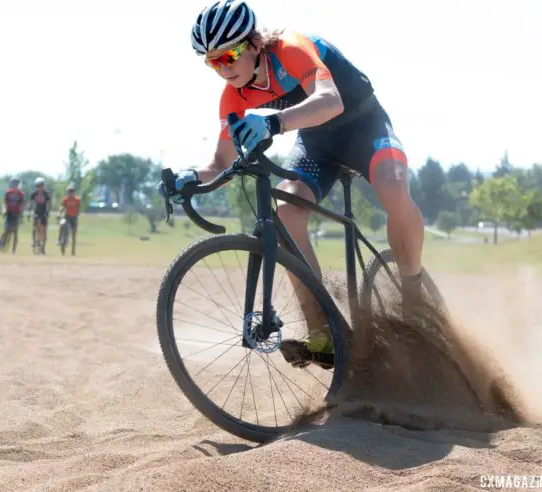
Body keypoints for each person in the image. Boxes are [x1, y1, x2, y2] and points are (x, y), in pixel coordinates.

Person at [160, 0, 427, 362]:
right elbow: (221, 161)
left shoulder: (291, 48)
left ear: (253, 43)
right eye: (212, 61)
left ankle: (413, 291)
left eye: (228, 57)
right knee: (286, 213)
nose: (222, 69)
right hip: (317, 145)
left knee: (393, 187)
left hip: (363, 127)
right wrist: (190, 178)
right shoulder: (233, 97)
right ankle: (325, 332)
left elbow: (330, 101)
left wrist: (273, 122)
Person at [0, 176, 25, 253]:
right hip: (9, 213)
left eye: (16, 183)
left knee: (15, 232)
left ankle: (13, 250)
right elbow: (4, 203)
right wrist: (4, 211)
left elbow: (22, 204)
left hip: (16, 213)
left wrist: (21, 214)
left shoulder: (21, 194)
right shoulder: (8, 193)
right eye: (14, 183)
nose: (15, 185)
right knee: (6, 231)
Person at [28, 177, 51, 254]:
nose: (40, 187)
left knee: (44, 230)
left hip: (43, 213)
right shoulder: (33, 194)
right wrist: (29, 212)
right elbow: (30, 204)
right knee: (35, 227)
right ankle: (34, 240)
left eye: (41, 185)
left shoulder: (46, 194)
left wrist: (48, 212)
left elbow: (48, 204)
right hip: (36, 213)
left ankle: (43, 246)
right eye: (38, 186)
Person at [58, 183, 81, 256]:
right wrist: (59, 213)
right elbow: (61, 207)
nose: (71, 193)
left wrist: (77, 215)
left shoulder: (77, 200)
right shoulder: (65, 199)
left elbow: (78, 208)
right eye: (69, 191)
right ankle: (61, 241)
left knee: (74, 234)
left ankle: (73, 251)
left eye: (72, 191)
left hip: (74, 218)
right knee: (63, 225)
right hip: (67, 216)